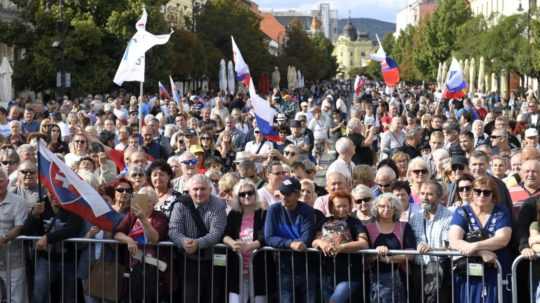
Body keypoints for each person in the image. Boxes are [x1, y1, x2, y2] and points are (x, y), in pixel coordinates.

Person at [448, 176, 512, 303]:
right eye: (477, 191)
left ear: (493, 195)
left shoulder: (501, 211)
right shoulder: (462, 211)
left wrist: (475, 246)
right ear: (472, 192)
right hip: (468, 272)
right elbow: (454, 241)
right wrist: (481, 252)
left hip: (495, 270)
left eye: (486, 192)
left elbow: (503, 239)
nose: (481, 195)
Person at [168, 174, 227, 303]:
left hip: (212, 260)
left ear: (210, 190)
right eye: (195, 189)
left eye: (203, 189)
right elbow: (174, 230)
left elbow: (216, 233)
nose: (199, 193)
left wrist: (197, 243)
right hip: (187, 259)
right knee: (189, 297)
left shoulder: (219, 205)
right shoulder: (180, 205)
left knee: (212, 297)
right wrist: (183, 241)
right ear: (189, 191)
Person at [22, 193, 84, 303]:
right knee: (39, 293)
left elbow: (72, 229)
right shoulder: (41, 203)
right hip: (46, 259)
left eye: (57, 191)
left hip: (68, 260)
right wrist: (34, 215)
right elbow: (26, 231)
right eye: (51, 191)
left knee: (68, 297)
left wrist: (47, 238)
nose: (55, 195)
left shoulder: (73, 205)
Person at [264, 176, 315, 303]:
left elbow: (306, 238)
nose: (283, 197)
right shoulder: (273, 210)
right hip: (283, 266)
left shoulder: (307, 211)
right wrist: (290, 243)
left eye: (287, 194)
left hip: (306, 267)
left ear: (297, 194)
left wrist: (289, 243)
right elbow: (269, 237)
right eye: (281, 193)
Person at [311, 192, 369, 303]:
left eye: (345, 206)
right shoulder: (323, 221)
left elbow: (364, 243)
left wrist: (341, 247)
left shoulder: (355, 223)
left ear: (350, 206)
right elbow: (314, 241)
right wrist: (321, 243)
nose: (342, 209)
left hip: (350, 273)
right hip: (327, 273)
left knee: (335, 301)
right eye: (338, 206)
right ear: (331, 207)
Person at [114, 190, 169, 302]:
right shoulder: (132, 215)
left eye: (147, 201)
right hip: (134, 265)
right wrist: (128, 240)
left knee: (150, 297)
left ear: (153, 203)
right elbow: (117, 233)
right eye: (140, 199)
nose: (142, 203)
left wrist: (143, 219)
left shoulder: (160, 217)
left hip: (154, 267)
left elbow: (154, 239)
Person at [366, 193, 416, 303]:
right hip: (373, 280)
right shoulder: (368, 228)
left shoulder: (404, 227)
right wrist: (376, 254)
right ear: (376, 208)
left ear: (396, 209)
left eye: (391, 206)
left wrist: (388, 259)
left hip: (400, 279)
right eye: (382, 206)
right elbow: (364, 257)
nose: (387, 209)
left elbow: (411, 254)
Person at [222, 180, 266, 303]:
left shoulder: (263, 213)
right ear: (237, 197)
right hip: (237, 268)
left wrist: (251, 246)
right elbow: (225, 235)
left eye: (250, 193)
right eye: (242, 194)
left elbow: (266, 236)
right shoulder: (233, 214)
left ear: (255, 194)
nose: (246, 196)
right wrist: (232, 243)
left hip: (258, 268)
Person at [409, 180, 453, 303]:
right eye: (422, 193)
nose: (425, 197)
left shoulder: (449, 217)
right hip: (418, 268)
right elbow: (411, 241)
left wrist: (431, 248)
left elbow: (450, 246)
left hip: (439, 269)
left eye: (429, 194)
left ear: (439, 197)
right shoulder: (415, 216)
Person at [0, 169, 28, 303]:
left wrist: (4, 238)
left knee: (16, 297)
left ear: (7, 182)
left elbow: (19, 227)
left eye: (0, 181)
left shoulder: (18, 202)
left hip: (13, 258)